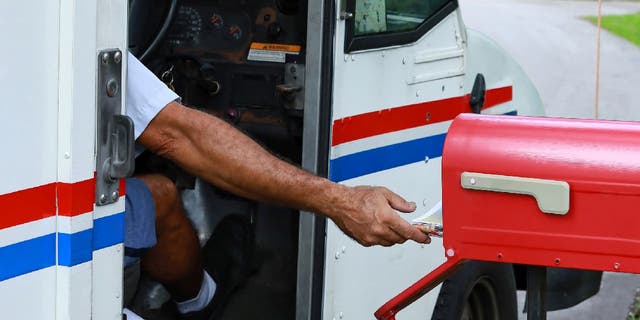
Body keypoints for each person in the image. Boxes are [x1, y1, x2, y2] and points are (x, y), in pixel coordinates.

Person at [124, 53, 431, 319]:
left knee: (158, 195)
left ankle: (198, 301)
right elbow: (180, 136)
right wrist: (342, 201)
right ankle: (199, 301)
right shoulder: (86, 40)